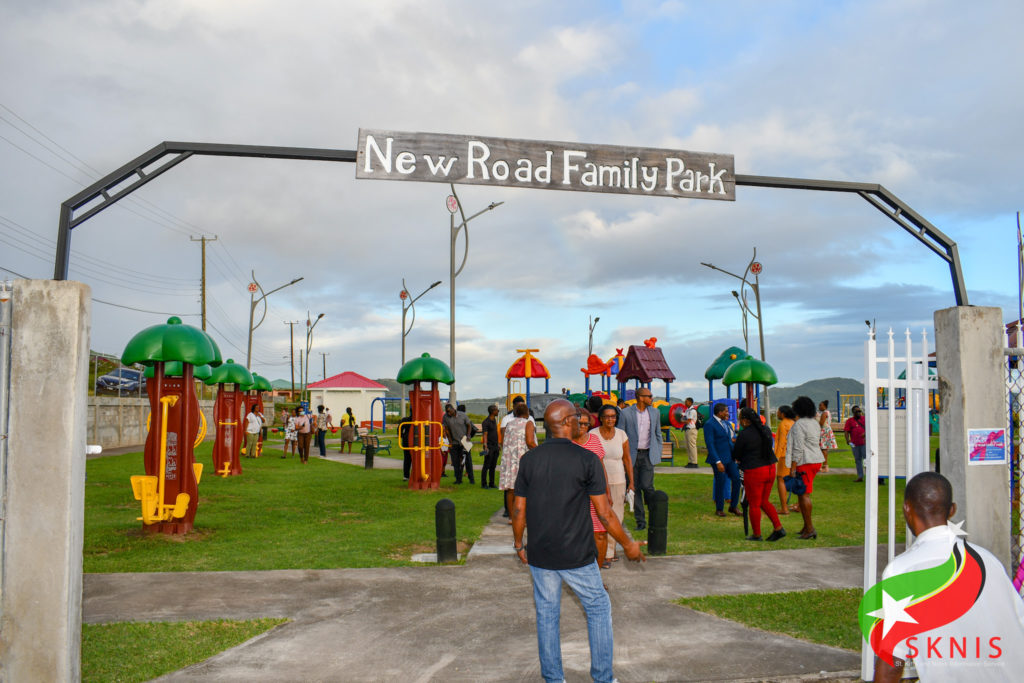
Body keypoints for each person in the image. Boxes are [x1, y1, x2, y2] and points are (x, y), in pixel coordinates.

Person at [511, 399, 645, 683]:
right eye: (576, 417)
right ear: (566, 422)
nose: (582, 422)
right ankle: (603, 678)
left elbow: (519, 509)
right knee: (598, 607)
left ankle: (553, 679)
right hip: (577, 554)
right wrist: (628, 544)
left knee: (547, 614)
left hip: (541, 553)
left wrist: (519, 544)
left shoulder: (529, 460)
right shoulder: (587, 459)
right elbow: (605, 513)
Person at [873, 472, 1024, 682]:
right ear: (952, 510)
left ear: (906, 508)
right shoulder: (988, 560)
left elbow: (892, 661)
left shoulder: (902, 570)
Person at [734, 406, 785, 541]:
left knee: (754, 504)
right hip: (770, 467)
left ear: (745, 420)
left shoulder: (744, 434)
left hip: (755, 470)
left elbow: (737, 454)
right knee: (764, 501)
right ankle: (778, 527)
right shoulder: (765, 429)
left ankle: (757, 534)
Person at [591, 404, 634, 563]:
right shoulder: (593, 435)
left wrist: (631, 482)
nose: (610, 419)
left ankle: (609, 551)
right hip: (597, 482)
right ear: (601, 418)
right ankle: (602, 551)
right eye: (607, 416)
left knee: (616, 516)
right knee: (599, 517)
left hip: (618, 480)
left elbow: (627, 459)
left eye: (613, 416)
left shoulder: (622, 435)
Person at [573, 407, 613, 569]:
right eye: (579, 423)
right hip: (574, 497)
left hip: (595, 495)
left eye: (586, 423)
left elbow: (601, 467)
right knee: (576, 536)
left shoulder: (594, 440)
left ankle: (597, 573)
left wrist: (607, 492)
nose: (583, 426)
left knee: (601, 533)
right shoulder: (566, 442)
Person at [618, 387, 662, 530]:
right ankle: (640, 521)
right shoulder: (625, 413)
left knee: (647, 486)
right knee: (634, 487)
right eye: (649, 396)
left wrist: (658, 451)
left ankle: (654, 512)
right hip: (630, 456)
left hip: (648, 455)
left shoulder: (655, 412)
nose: (652, 398)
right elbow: (620, 434)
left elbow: (658, 434)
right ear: (641, 397)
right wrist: (622, 456)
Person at [786, 396, 824, 539]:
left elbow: (798, 447)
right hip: (815, 459)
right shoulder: (814, 422)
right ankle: (806, 526)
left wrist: (793, 467)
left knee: (804, 495)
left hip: (805, 461)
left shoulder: (799, 424)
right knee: (802, 493)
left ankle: (810, 528)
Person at [499, 402, 536, 517]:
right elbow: (530, 442)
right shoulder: (528, 423)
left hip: (510, 460)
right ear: (527, 413)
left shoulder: (509, 424)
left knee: (511, 489)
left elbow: (505, 441)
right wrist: (540, 451)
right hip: (523, 459)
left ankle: (511, 517)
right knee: (526, 489)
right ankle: (523, 517)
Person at [704, 402, 741, 517]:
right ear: (720, 412)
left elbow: (731, 440)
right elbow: (710, 444)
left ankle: (733, 506)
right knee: (720, 482)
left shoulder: (727, 423)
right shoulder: (709, 424)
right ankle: (719, 509)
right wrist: (717, 461)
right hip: (719, 459)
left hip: (730, 458)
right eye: (726, 411)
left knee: (737, 479)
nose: (727, 413)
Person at [442, 403, 475, 485]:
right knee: (456, 461)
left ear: (453, 409)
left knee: (468, 460)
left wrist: (468, 435)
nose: (448, 413)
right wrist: (450, 441)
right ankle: (458, 479)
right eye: (447, 412)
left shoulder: (462, 415)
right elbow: (446, 429)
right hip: (454, 442)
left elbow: (469, 425)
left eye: (449, 411)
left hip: (465, 441)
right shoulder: (445, 417)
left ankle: (471, 479)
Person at [773, 405, 797, 514]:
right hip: (794, 454)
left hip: (784, 455)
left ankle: (784, 508)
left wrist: (776, 457)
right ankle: (799, 505)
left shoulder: (783, 424)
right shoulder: (793, 423)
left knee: (781, 480)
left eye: (778, 412)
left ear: (782, 414)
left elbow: (781, 442)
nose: (777, 414)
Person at [480, 405, 501, 489]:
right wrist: (485, 445)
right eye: (497, 410)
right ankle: (484, 484)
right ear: (492, 411)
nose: (498, 411)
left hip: (495, 446)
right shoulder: (486, 422)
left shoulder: (494, 420)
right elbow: (485, 434)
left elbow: (495, 433)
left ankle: (491, 483)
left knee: (493, 466)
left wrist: (498, 444)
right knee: (486, 465)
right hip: (489, 446)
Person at [844, 405, 866, 482]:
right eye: (857, 411)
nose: (859, 413)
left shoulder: (865, 419)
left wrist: (865, 434)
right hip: (854, 444)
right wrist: (847, 440)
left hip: (864, 443)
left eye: (859, 411)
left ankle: (869, 475)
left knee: (866, 459)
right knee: (857, 460)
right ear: (853, 412)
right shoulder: (849, 421)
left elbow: (870, 428)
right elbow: (846, 431)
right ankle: (860, 476)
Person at [818, 399, 837, 472]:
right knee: (824, 449)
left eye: (820, 405)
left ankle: (825, 466)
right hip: (827, 430)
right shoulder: (828, 412)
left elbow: (821, 423)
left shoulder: (824, 413)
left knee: (823, 449)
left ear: (824, 406)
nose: (819, 407)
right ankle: (824, 466)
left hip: (824, 431)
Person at [682, 397, 700, 468]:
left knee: (692, 446)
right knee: (688, 446)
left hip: (692, 429)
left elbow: (688, 421)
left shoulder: (692, 411)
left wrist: (681, 421)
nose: (685, 403)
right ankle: (690, 461)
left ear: (690, 402)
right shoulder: (687, 410)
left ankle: (694, 462)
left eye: (686, 402)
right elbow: (684, 417)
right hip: (687, 429)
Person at [397, 413, 414, 480]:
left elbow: (399, 430)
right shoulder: (418, 420)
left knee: (407, 458)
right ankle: (414, 475)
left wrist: (403, 436)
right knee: (416, 459)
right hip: (416, 441)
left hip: (406, 441)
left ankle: (406, 476)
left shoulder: (405, 420)